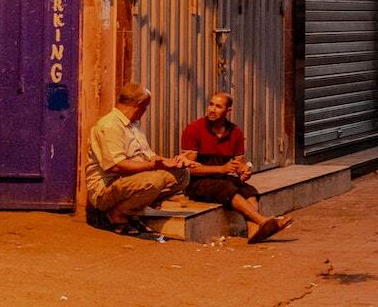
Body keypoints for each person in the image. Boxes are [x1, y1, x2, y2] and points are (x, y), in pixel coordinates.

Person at [180, 92, 292, 244]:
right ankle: (262, 220)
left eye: (218, 106)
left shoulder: (235, 132)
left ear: (228, 111)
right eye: (211, 104)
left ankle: (253, 231)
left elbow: (240, 165)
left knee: (249, 190)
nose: (212, 109)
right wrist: (221, 169)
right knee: (226, 187)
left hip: (222, 177)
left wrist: (245, 171)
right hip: (197, 182)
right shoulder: (194, 128)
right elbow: (188, 169)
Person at [85, 83, 191, 235]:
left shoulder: (133, 125)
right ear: (138, 104)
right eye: (145, 107)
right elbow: (116, 166)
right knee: (153, 180)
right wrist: (152, 166)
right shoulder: (109, 125)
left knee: (182, 174)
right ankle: (116, 215)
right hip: (106, 189)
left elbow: (148, 155)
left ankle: (130, 211)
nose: (145, 111)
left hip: (129, 180)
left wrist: (172, 162)